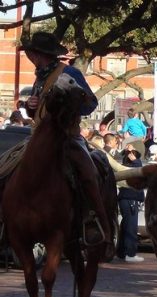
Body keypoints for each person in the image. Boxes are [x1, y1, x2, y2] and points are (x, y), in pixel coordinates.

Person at [21, 31, 109, 245]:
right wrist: (31, 106)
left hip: (67, 137)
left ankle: (98, 225)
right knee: (6, 167)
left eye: (32, 53)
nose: (30, 57)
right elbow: (38, 113)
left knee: (88, 173)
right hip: (38, 139)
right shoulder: (39, 78)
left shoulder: (69, 73)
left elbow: (91, 103)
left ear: (40, 54)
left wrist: (69, 104)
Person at [117, 144, 145, 262]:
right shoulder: (132, 167)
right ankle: (130, 253)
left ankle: (122, 252)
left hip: (126, 198)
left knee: (125, 226)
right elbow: (137, 169)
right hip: (130, 198)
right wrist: (134, 157)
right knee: (130, 226)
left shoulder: (124, 165)